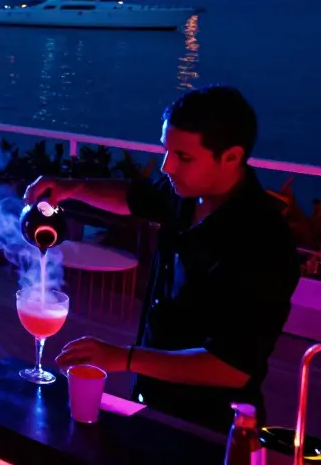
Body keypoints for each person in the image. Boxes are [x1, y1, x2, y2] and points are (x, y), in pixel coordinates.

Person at [37, 86, 298, 433]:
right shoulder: (187, 194)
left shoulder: (264, 241)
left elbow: (231, 367)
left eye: (183, 157)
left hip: (208, 427)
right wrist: (71, 188)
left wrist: (123, 357)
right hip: (148, 401)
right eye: (166, 150)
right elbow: (135, 197)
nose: (167, 166)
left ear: (232, 157)